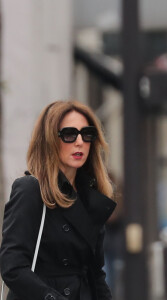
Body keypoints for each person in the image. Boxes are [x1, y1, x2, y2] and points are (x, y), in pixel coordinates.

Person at [0, 100, 116, 300]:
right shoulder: (31, 189)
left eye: (86, 134)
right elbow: (12, 267)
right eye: (70, 134)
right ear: (49, 140)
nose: (79, 142)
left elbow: (96, 275)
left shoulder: (91, 198)